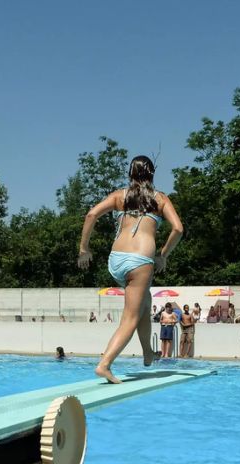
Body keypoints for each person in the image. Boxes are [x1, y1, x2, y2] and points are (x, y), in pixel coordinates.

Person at [78, 156, 183, 383]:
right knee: (131, 317)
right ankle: (105, 364)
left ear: (130, 174)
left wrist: (84, 248)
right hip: (140, 261)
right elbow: (178, 228)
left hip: (116, 260)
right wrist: (162, 255)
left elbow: (91, 214)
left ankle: (147, 353)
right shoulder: (160, 199)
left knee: (145, 301)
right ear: (152, 175)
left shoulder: (120, 196)